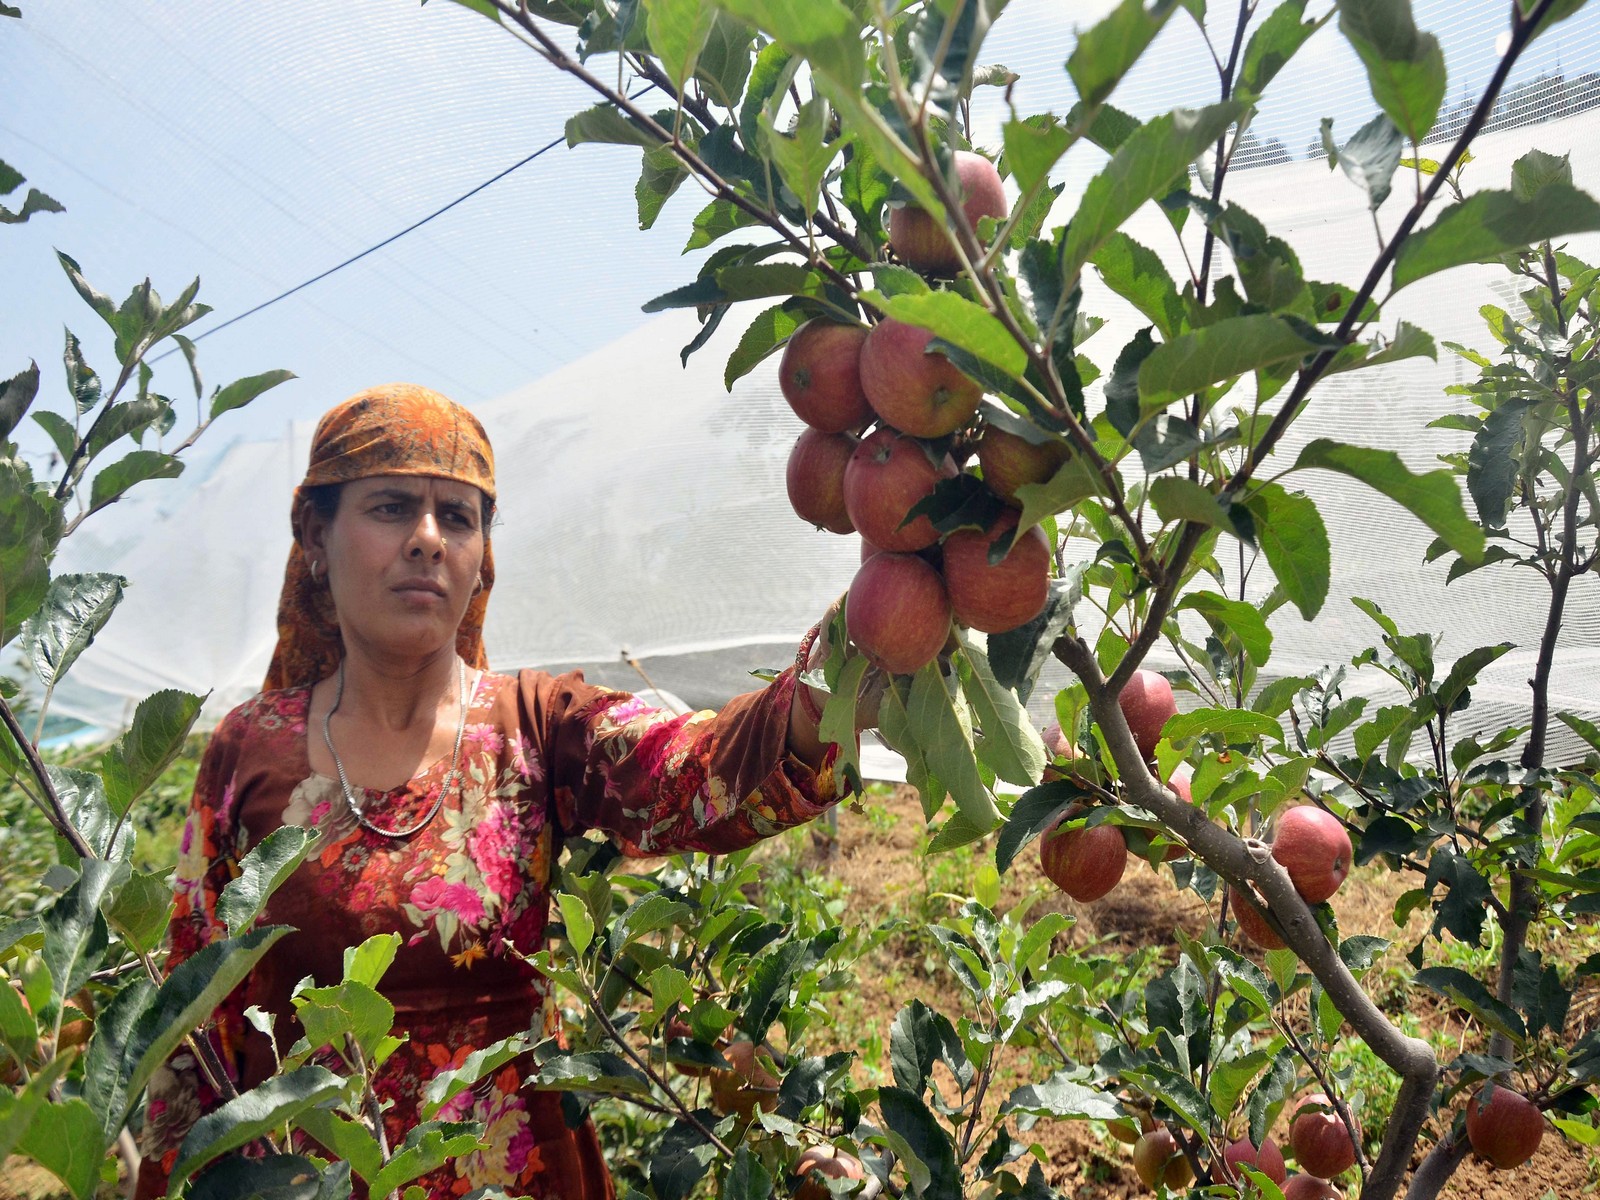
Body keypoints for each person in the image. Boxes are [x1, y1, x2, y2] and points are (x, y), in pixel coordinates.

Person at [135, 384, 849, 1198]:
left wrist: (849, 656)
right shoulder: (248, 749)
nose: (428, 540)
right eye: (392, 507)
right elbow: (191, 1022)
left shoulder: (536, 728)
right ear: (315, 536)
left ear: (482, 561)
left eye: (459, 517)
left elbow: (694, 771)